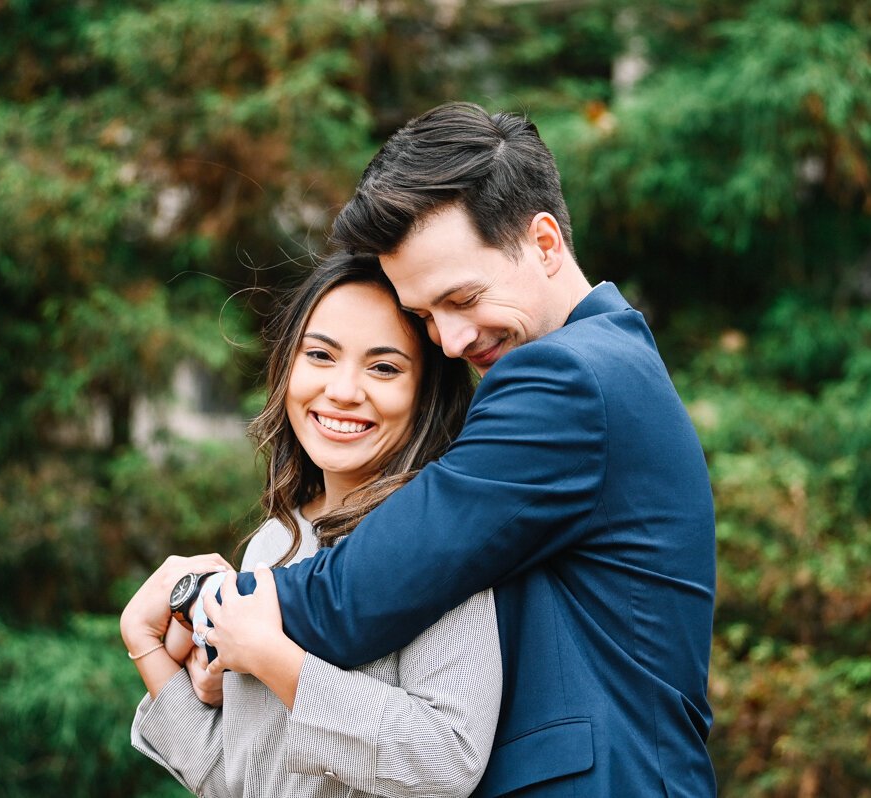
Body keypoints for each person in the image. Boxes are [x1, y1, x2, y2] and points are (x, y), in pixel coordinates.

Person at [216, 102, 718, 797]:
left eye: (462, 298)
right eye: (425, 316)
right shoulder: (611, 366)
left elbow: (360, 594)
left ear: (544, 242)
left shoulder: (567, 378)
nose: (450, 341)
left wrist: (216, 605)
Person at [118, 253, 499, 798]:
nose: (343, 390)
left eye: (383, 367)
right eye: (320, 355)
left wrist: (273, 659)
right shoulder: (276, 541)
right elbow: (243, 780)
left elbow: (448, 759)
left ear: (426, 393)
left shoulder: (436, 537)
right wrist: (145, 643)